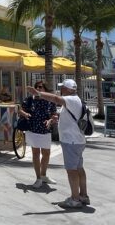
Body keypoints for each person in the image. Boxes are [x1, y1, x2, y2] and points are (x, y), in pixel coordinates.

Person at [28, 79, 89, 209]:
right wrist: (58, 118)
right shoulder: (77, 100)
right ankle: (83, 195)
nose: (61, 90)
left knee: (72, 170)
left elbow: (55, 98)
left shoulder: (71, 100)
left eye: (63, 88)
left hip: (71, 140)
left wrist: (38, 93)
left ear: (68, 89)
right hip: (77, 140)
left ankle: (75, 199)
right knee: (79, 168)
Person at [18, 80, 57, 189]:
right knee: (36, 154)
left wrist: (51, 119)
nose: (38, 89)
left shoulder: (50, 100)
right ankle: (38, 178)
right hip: (33, 129)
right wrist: (25, 114)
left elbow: (54, 114)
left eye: (40, 87)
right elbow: (20, 110)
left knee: (46, 154)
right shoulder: (29, 100)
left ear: (45, 89)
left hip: (45, 130)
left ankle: (43, 175)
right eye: (37, 87)